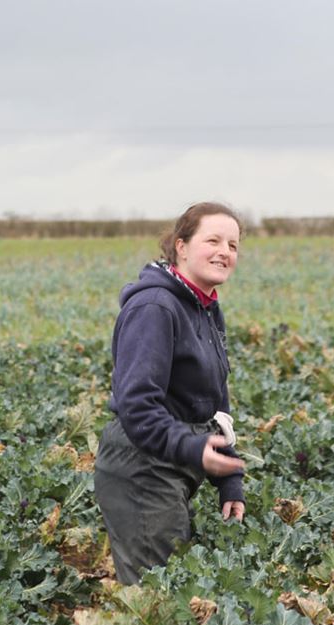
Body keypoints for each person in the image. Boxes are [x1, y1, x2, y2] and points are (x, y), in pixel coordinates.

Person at [94, 202, 247, 585]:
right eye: (212, 240)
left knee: (172, 590)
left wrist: (229, 479)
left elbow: (215, 401)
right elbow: (138, 407)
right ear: (181, 246)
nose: (224, 252)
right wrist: (194, 449)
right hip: (142, 467)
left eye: (233, 245)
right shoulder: (155, 307)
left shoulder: (204, 306)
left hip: (171, 465)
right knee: (157, 600)